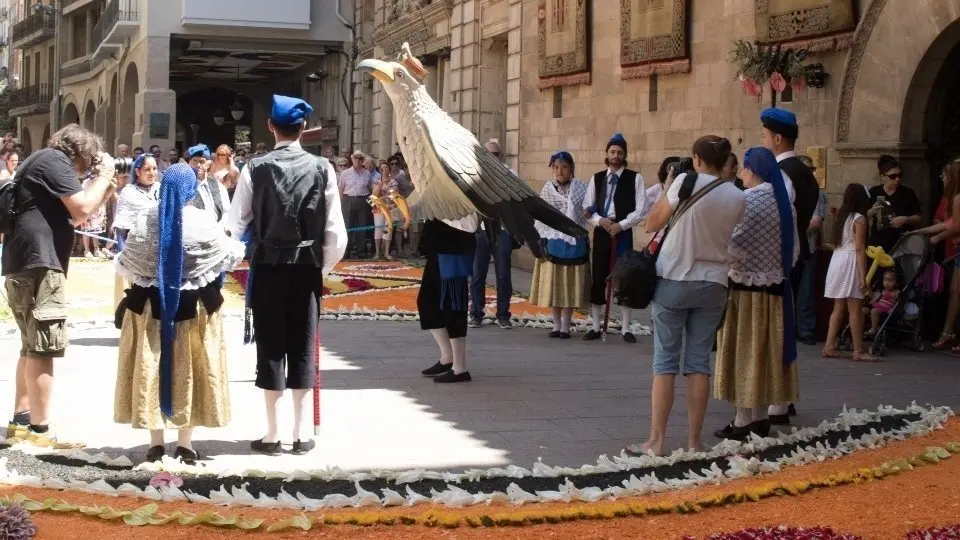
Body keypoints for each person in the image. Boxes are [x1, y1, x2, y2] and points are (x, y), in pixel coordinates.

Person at [226, 95, 347, 455]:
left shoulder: (253, 168)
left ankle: (272, 434)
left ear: (270, 127)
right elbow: (336, 233)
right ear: (304, 129)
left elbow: (235, 223)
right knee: (303, 344)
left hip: (267, 267)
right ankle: (300, 433)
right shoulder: (325, 167)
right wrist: (320, 267)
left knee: (271, 346)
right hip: (306, 268)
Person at [113, 164, 244, 463]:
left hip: (149, 307)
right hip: (194, 308)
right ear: (190, 189)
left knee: (153, 367)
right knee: (192, 368)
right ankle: (185, 443)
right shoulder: (201, 219)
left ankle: (156, 442)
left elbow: (127, 260)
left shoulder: (147, 216)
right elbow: (229, 255)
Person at [2, 124, 117, 447]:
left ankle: (22, 421)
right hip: (40, 264)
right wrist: (106, 174)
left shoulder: (40, 162)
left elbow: (82, 212)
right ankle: (40, 431)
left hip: (25, 261)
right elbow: (82, 209)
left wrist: (103, 184)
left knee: (30, 345)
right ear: (78, 151)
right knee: (44, 347)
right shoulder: (54, 161)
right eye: (89, 160)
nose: (88, 167)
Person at [634, 135, 745, 456]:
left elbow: (652, 223)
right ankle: (695, 442)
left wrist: (670, 185)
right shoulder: (737, 195)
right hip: (714, 284)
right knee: (699, 363)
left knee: (665, 362)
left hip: (675, 277)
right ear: (725, 161)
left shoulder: (685, 181)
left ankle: (656, 442)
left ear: (696, 158)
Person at [713, 147, 800, 441]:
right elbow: (795, 250)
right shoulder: (784, 201)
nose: (740, 174)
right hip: (775, 292)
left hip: (744, 293)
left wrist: (739, 261)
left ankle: (742, 419)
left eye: (743, 168)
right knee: (766, 353)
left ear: (751, 169)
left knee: (743, 352)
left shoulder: (745, 199)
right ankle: (762, 417)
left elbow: (729, 243)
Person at [760, 107, 819, 424]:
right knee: (784, 328)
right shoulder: (805, 172)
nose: (763, 140)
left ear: (777, 138)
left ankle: (778, 402)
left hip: (779, 261)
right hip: (796, 256)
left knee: (775, 330)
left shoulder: (781, 174)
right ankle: (784, 396)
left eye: (765, 135)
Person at [582, 133, 646, 343]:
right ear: (607, 154)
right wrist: (601, 221)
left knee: (625, 277)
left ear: (624, 155)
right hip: (602, 231)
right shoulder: (597, 178)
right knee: (599, 276)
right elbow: (587, 206)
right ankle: (594, 325)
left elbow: (641, 210)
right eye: (612, 152)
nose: (616, 155)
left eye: (619, 152)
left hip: (622, 231)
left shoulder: (634, 178)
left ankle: (626, 327)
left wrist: (621, 225)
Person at [529, 151, 590, 339]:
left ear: (571, 169)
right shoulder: (548, 189)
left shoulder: (581, 188)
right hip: (553, 241)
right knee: (555, 285)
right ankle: (556, 325)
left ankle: (566, 326)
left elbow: (587, 210)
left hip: (574, 241)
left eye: (564, 167)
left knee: (570, 285)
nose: (560, 171)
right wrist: (541, 239)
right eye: (556, 167)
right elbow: (541, 215)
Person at [417, 215, 478, 383]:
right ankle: (447, 357)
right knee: (427, 303)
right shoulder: (437, 191)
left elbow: (471, 224)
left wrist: (441, 214)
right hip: (437, 252)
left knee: (453, 308)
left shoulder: (460, 193)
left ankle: (460, 368)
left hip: (454, 254)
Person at [822, 184, 877, 362]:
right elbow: (860, 248)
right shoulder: (860, 219)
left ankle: (829, 345)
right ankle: (858, 351)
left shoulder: (842, 217)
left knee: (838, 307)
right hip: (851, 261)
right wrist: (863, 276)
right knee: (855, 308)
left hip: (837, 259)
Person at [470, 139, 518, 329]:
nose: (491, 157)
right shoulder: (474, 174)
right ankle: (476, 313)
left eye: (495, 154)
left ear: (501, 156)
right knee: (477, 274)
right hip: (481, 229)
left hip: (503, 230)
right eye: (487, 154)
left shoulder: (510, 174)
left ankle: (503, 314)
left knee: (503, 274)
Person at [917, 160, 960, 350]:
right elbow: (948, 223)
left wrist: (937, 237)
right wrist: (923, 232)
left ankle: (947, 332)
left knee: (955, 292)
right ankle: (948, 331)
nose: (943, 179)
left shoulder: (958, 198)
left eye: (945, 175)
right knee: (954, 292)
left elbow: (955, 226)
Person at [112, 154, 161, 308]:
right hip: (136, 253)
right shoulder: (129, 192)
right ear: (138, 171)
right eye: (147, 169)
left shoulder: (162, 189)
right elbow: (122, 227)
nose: (152, 172)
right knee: (138, 298)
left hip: (159, 252)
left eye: (154, 168)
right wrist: (124, 257)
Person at [796, 155, 828, 345]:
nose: (810, 173)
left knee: (805, 291)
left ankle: (805, 330)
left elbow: (816, 222)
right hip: (789, 248)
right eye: (806, 170)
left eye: (812, 169)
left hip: (807, 248)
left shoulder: (818, 194)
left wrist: (793, 228)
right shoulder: (788, 191)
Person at [868, 155, 921, 252]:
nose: (897, 179)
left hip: (902, 244)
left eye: (900, 175)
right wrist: (872, 211)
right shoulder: (874, 192)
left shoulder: (908, 193)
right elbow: (861, 217)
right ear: (882, 177)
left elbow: (918, 218)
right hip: (878, 243)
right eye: (893, 176)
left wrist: (905, 219)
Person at [339, 150, 374, 258]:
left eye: (360, 158)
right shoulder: (345, 173)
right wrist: (342, 203)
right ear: (352, 158)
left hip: (363, 200)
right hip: (348, 199)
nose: (358, 160)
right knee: (347, 227)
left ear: (363, 160)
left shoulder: (367, 174)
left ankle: (361, 251)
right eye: (356, 158)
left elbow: (370, 188)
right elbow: (341, 188)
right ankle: (346, 251)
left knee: (362, 226)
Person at [186, 144, 230, 224]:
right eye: (195, 161)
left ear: (209, 163)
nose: (198, 165)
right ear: (189, 163)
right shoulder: (183, 185)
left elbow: (226, 213)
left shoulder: (218, 188)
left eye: (202, 161)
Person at [866, 270, 901, 336]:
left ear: (896, 283)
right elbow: (873, 298)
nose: (887, 283)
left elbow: (899, 301)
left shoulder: (896, 292)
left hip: (887, 309)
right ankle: (860, 329)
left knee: (874, 311)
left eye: (890, 281)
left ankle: (873, 330)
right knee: (863, 310)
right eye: (885, 280)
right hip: (878, 306)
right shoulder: (881, 290)